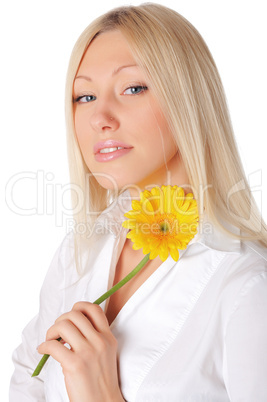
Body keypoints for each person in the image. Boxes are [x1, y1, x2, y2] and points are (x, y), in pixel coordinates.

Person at [10, 3, 267, 401]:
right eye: (84, 96)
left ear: (189, 99)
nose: (100, 117)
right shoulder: (79, 252)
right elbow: (29, 377)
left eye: (133, 88)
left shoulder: (247, 284)